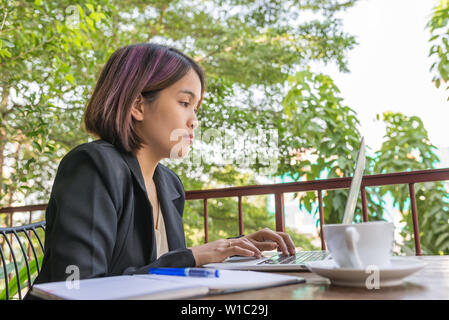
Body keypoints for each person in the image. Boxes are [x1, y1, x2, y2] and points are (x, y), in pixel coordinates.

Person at [25, 43, 296, 299]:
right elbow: (79, 288)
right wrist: (192, 256)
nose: (194, 121)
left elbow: (161, 270)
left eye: (196, 107)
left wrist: (233, 248)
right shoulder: (92, 166)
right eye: (184, 102)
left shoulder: (168, 184)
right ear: (137, 106)